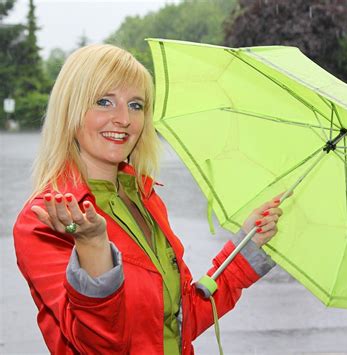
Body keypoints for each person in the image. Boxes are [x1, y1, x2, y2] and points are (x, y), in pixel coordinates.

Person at [13, 44, 284, 354]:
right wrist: (92, 249)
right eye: (104, 101)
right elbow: (98, 346)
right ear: (70, 110)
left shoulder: (144, 198)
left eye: (136, 105)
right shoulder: (49, 218)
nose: (124, 119)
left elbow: (178, 323)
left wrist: (244, 249)